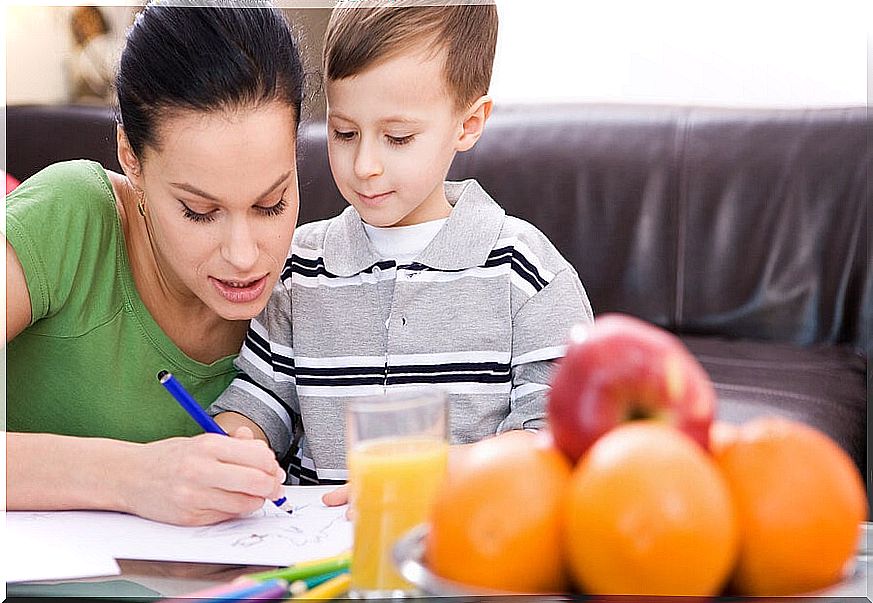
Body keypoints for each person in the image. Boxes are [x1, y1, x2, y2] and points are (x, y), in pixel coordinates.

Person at [208, 2, 593, 496]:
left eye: (397, 137)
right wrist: (240, 437)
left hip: (460, 548)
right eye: (344, 132)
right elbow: (264, 398)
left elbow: (556, 438)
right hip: (311, 550)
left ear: (469, 124)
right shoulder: (301, 266)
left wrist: (429, 475)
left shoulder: (528, 272)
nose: (364, 163)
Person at [5, 2, 306, 526]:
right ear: (131, 156)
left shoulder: (310, 292)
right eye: (199, 211)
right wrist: (131, 477)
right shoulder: (72, 217)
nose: (243, 256)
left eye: (271, 204)